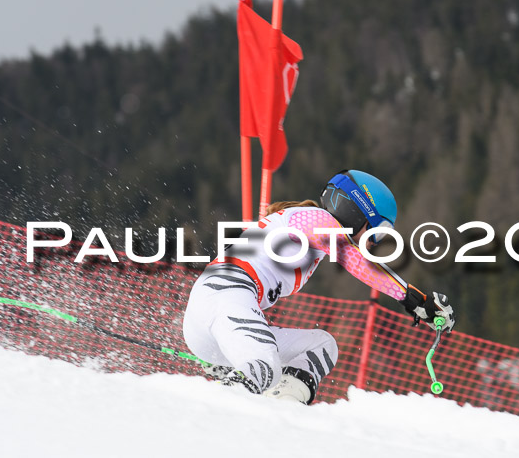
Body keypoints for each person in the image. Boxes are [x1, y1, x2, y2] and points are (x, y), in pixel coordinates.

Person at [182, 169, 455, 404]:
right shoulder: (313, 218)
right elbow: (356, 261)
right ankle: (212, 411)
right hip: (224, 295)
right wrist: (416, 300)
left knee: (322, 346)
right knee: (265, 367)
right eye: (376, 231)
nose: (374, 243)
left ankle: (282, 405)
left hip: (217, 328)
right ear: (354, 210)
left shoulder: (315, 236)